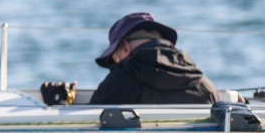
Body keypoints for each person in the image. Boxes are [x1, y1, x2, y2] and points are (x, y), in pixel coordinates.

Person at [90, 12, 225, 106]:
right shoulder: (206, 86)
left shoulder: (119, 82)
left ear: (124, 47)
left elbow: (88, 122)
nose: (115, 67)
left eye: (115, 59)